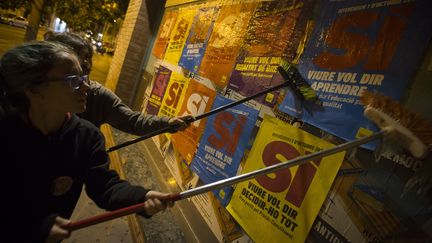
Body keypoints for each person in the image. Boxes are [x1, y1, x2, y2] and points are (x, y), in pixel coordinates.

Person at [0, 41, 174, 242]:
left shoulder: (87, 136)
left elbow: (105, 187)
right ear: (35, 89)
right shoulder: (7, 133)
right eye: (73, 80)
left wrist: (142, 197)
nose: (86, 87)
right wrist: (37, 226)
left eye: (84, 78)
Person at [45, 32, 193, 137]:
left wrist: (167, 123)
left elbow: (132, 121)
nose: (87, 64)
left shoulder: (97, 96)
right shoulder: (36, 100)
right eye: (80, 56)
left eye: (88, 57)